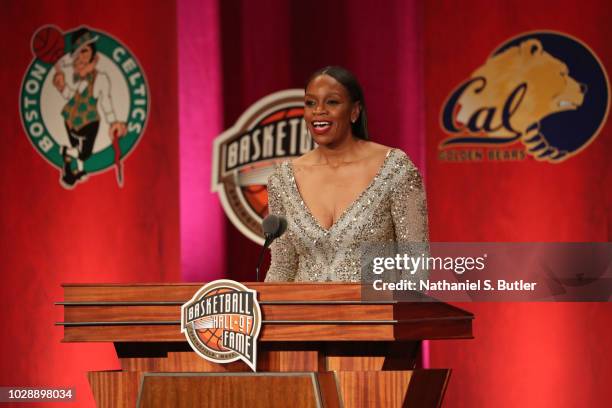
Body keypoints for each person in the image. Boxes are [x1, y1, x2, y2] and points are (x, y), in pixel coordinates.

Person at [265, 66, 429, 282]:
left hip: (375, 313)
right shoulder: (283, 179)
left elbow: (415, 264)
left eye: (331, 102)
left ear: (354, 111)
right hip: (304, 315)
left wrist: (396, 312)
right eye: (310, 103)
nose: (318, 111)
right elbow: (282, 268)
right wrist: (266, 312)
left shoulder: (395, 168)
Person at [52, 27, 127, 187]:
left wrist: (114, 122)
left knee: (79, 150)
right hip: (79, 120)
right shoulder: (81, 78)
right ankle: (65, 152)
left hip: (80, 120)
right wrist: (61, 86)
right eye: (78, 53)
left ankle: (77, 171)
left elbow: (106, 102)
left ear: (93, 54)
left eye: (84, 51)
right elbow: (71, 96)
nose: (81, 57)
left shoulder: (100, 78)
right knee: (84, 153)